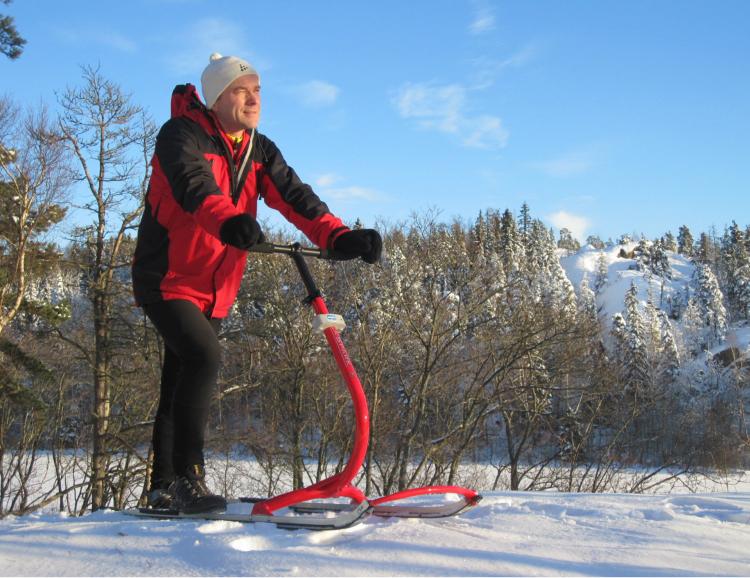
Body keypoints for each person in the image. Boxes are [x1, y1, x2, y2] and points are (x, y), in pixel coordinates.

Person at [132, 53, 382, 514]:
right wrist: (229, 222)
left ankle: (161, 486)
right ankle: (189, 479)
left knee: (180, 378)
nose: (253, 98)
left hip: (217, 286)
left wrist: (339, 235)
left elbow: (295, 196)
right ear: (216, 97)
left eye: (257, 89)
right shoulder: (181, 135)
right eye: (240, 90)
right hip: (165, 276)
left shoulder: (258, 149)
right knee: (204, 356)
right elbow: (195, 188)